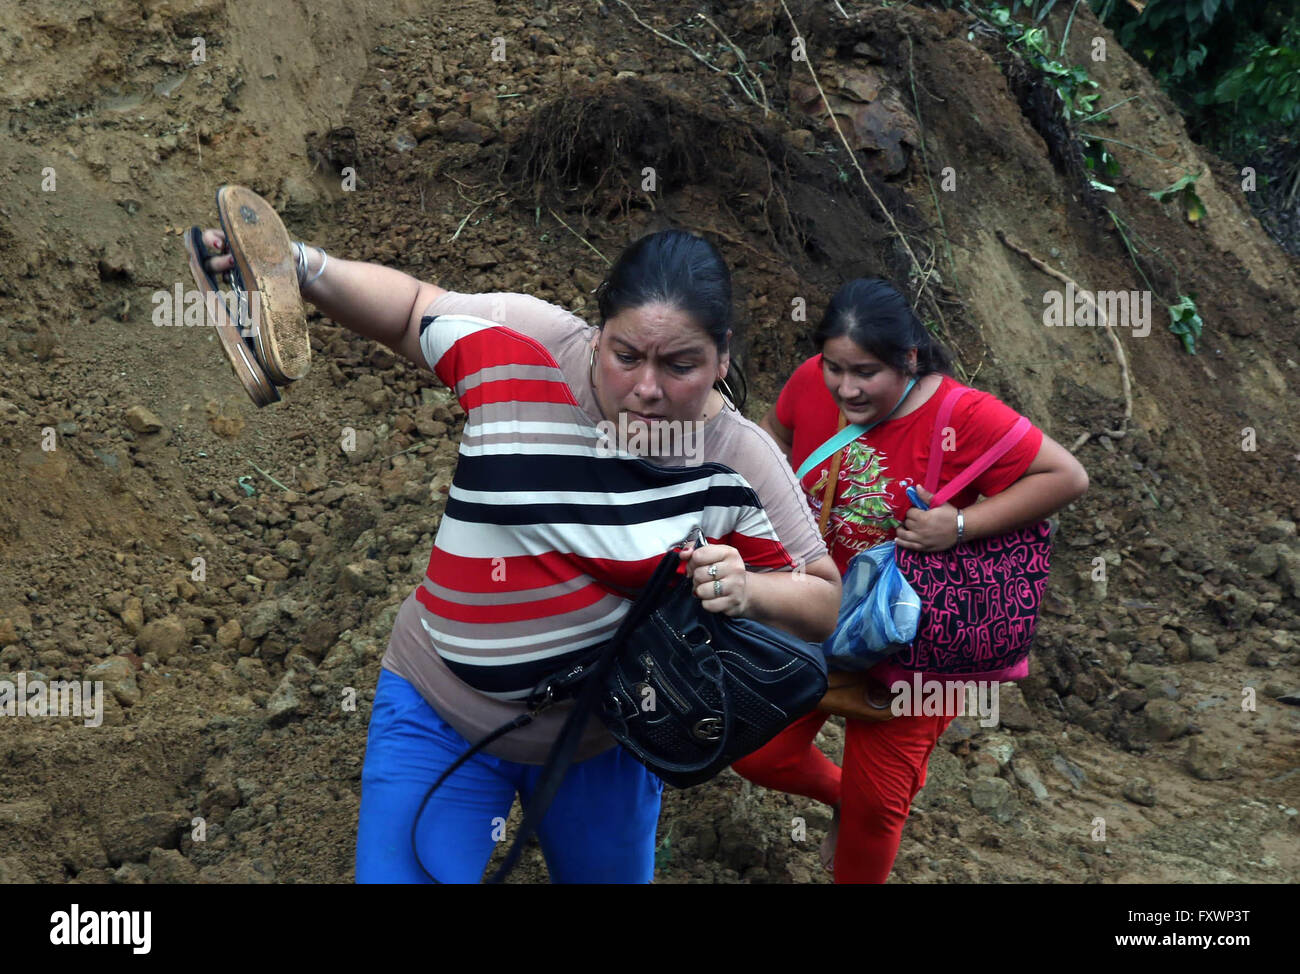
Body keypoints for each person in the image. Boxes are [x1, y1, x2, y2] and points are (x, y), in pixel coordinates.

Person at [196, 226, 844, 883]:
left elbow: (823, 598)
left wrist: (751, 590)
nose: (646, 388)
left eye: (680, 365)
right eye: (625, 354)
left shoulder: (736, 459)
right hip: (437, 712)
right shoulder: (521, 347)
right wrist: (300, 266)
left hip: (599, 746)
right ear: (597, 332)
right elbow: (410, 310)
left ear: (722, 357)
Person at [733, 278, 1089, 884]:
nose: (846, 388)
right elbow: (774, 442)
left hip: (915, 638)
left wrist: (959, 523)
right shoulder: (807, 383)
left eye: (866, 372)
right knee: (754, 751)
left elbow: (1066, 475)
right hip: (814, 614)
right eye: (834, 368)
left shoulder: (963, 416)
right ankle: (840, 796)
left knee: (878, 810)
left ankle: (861, 812)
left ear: (911, 359)